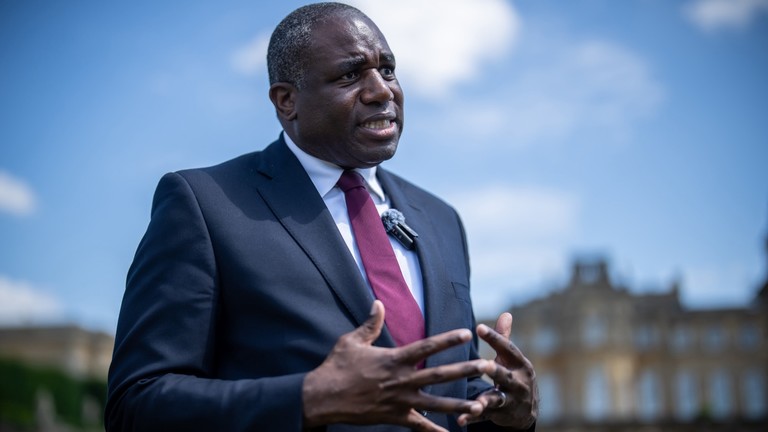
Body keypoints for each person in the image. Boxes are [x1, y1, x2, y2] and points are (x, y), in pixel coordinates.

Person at [105, 3, 538, 431]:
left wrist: (508, 415)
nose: (381, 90)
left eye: (387, 70)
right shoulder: (205, 204)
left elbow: (443, 399)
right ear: (287, 100)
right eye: (350, 74)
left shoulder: (442, 220)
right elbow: (136, 403)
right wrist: (308, 398)